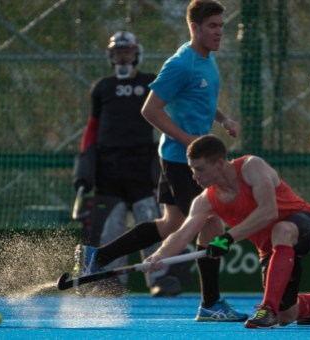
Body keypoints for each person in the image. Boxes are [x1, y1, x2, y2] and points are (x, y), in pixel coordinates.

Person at [75, 0, 247, 321]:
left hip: (184, 158)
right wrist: (192, 142)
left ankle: (97, 256)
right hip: (183, 161)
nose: (220, 32)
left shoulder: (206, 59)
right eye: (213, 26)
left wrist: (223, 120)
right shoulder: (181, 64)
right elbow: (150, 110)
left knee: (170, 224)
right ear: (195, 27)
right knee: (211, 223)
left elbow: (201, 97)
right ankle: (210, 303)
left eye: (222, 25)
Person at [143, 135, 310, 329]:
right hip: (272, 249)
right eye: (192, 169)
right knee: (287, 315)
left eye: (199, 169)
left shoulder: (251, 167)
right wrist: (158, 256)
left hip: (306, 223)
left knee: (281, 229)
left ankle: (267, 309)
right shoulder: (204, 201)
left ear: (219, 163)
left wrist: (227, 238)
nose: (194, 176)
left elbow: (268, 211)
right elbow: (183, 234)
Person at [72, 31, 187, 297]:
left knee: (152, 219)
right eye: (117, 52)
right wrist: (83, 171)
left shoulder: (150, 83)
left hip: (143, 168)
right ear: (111, 56)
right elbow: (92, 129)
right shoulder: (102, 87)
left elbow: (170, 111)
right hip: (108, 170)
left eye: (127, 51)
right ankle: (111, 282)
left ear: (136, 54)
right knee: (111, 228)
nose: (122, 57)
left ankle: (160, 277)